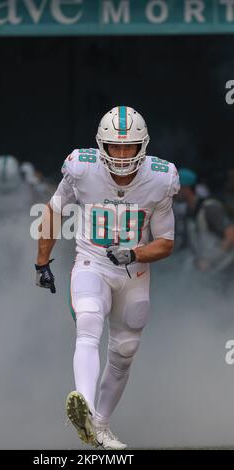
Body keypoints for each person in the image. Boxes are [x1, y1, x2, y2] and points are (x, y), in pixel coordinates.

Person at [35, 106, 180, 449]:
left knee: (125, 349)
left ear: (142, 146)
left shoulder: (160, 178)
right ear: (102, 145)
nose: (122, 154)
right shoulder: (81, 168)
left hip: (134, 270)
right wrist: (41, 262)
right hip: (93, 262)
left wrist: (135, 253)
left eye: (129, 146)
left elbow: (166, 243)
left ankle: (99, 426)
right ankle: (83, 404)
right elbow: (54, 211)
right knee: (88, 320)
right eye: (115, 146)